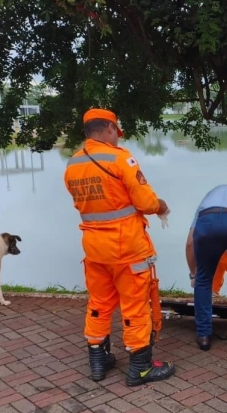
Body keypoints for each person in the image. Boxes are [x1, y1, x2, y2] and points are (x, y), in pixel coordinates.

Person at [63, 108, 176, 386]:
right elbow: (146, 202)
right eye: (116, 133)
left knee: (100, 303)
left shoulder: (73, 165)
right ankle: (141, 367)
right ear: (110, 128)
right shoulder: (121, 158)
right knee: (135, 305)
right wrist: (161, 206)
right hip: (127, 247)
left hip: (94, 247)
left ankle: (98, 359)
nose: (117, 138)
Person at [184, 184, 227, 351]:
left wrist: (193, 275)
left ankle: (203, 335)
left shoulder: (206, 201)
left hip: (207, 221)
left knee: (203, 280)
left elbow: (190, 244)